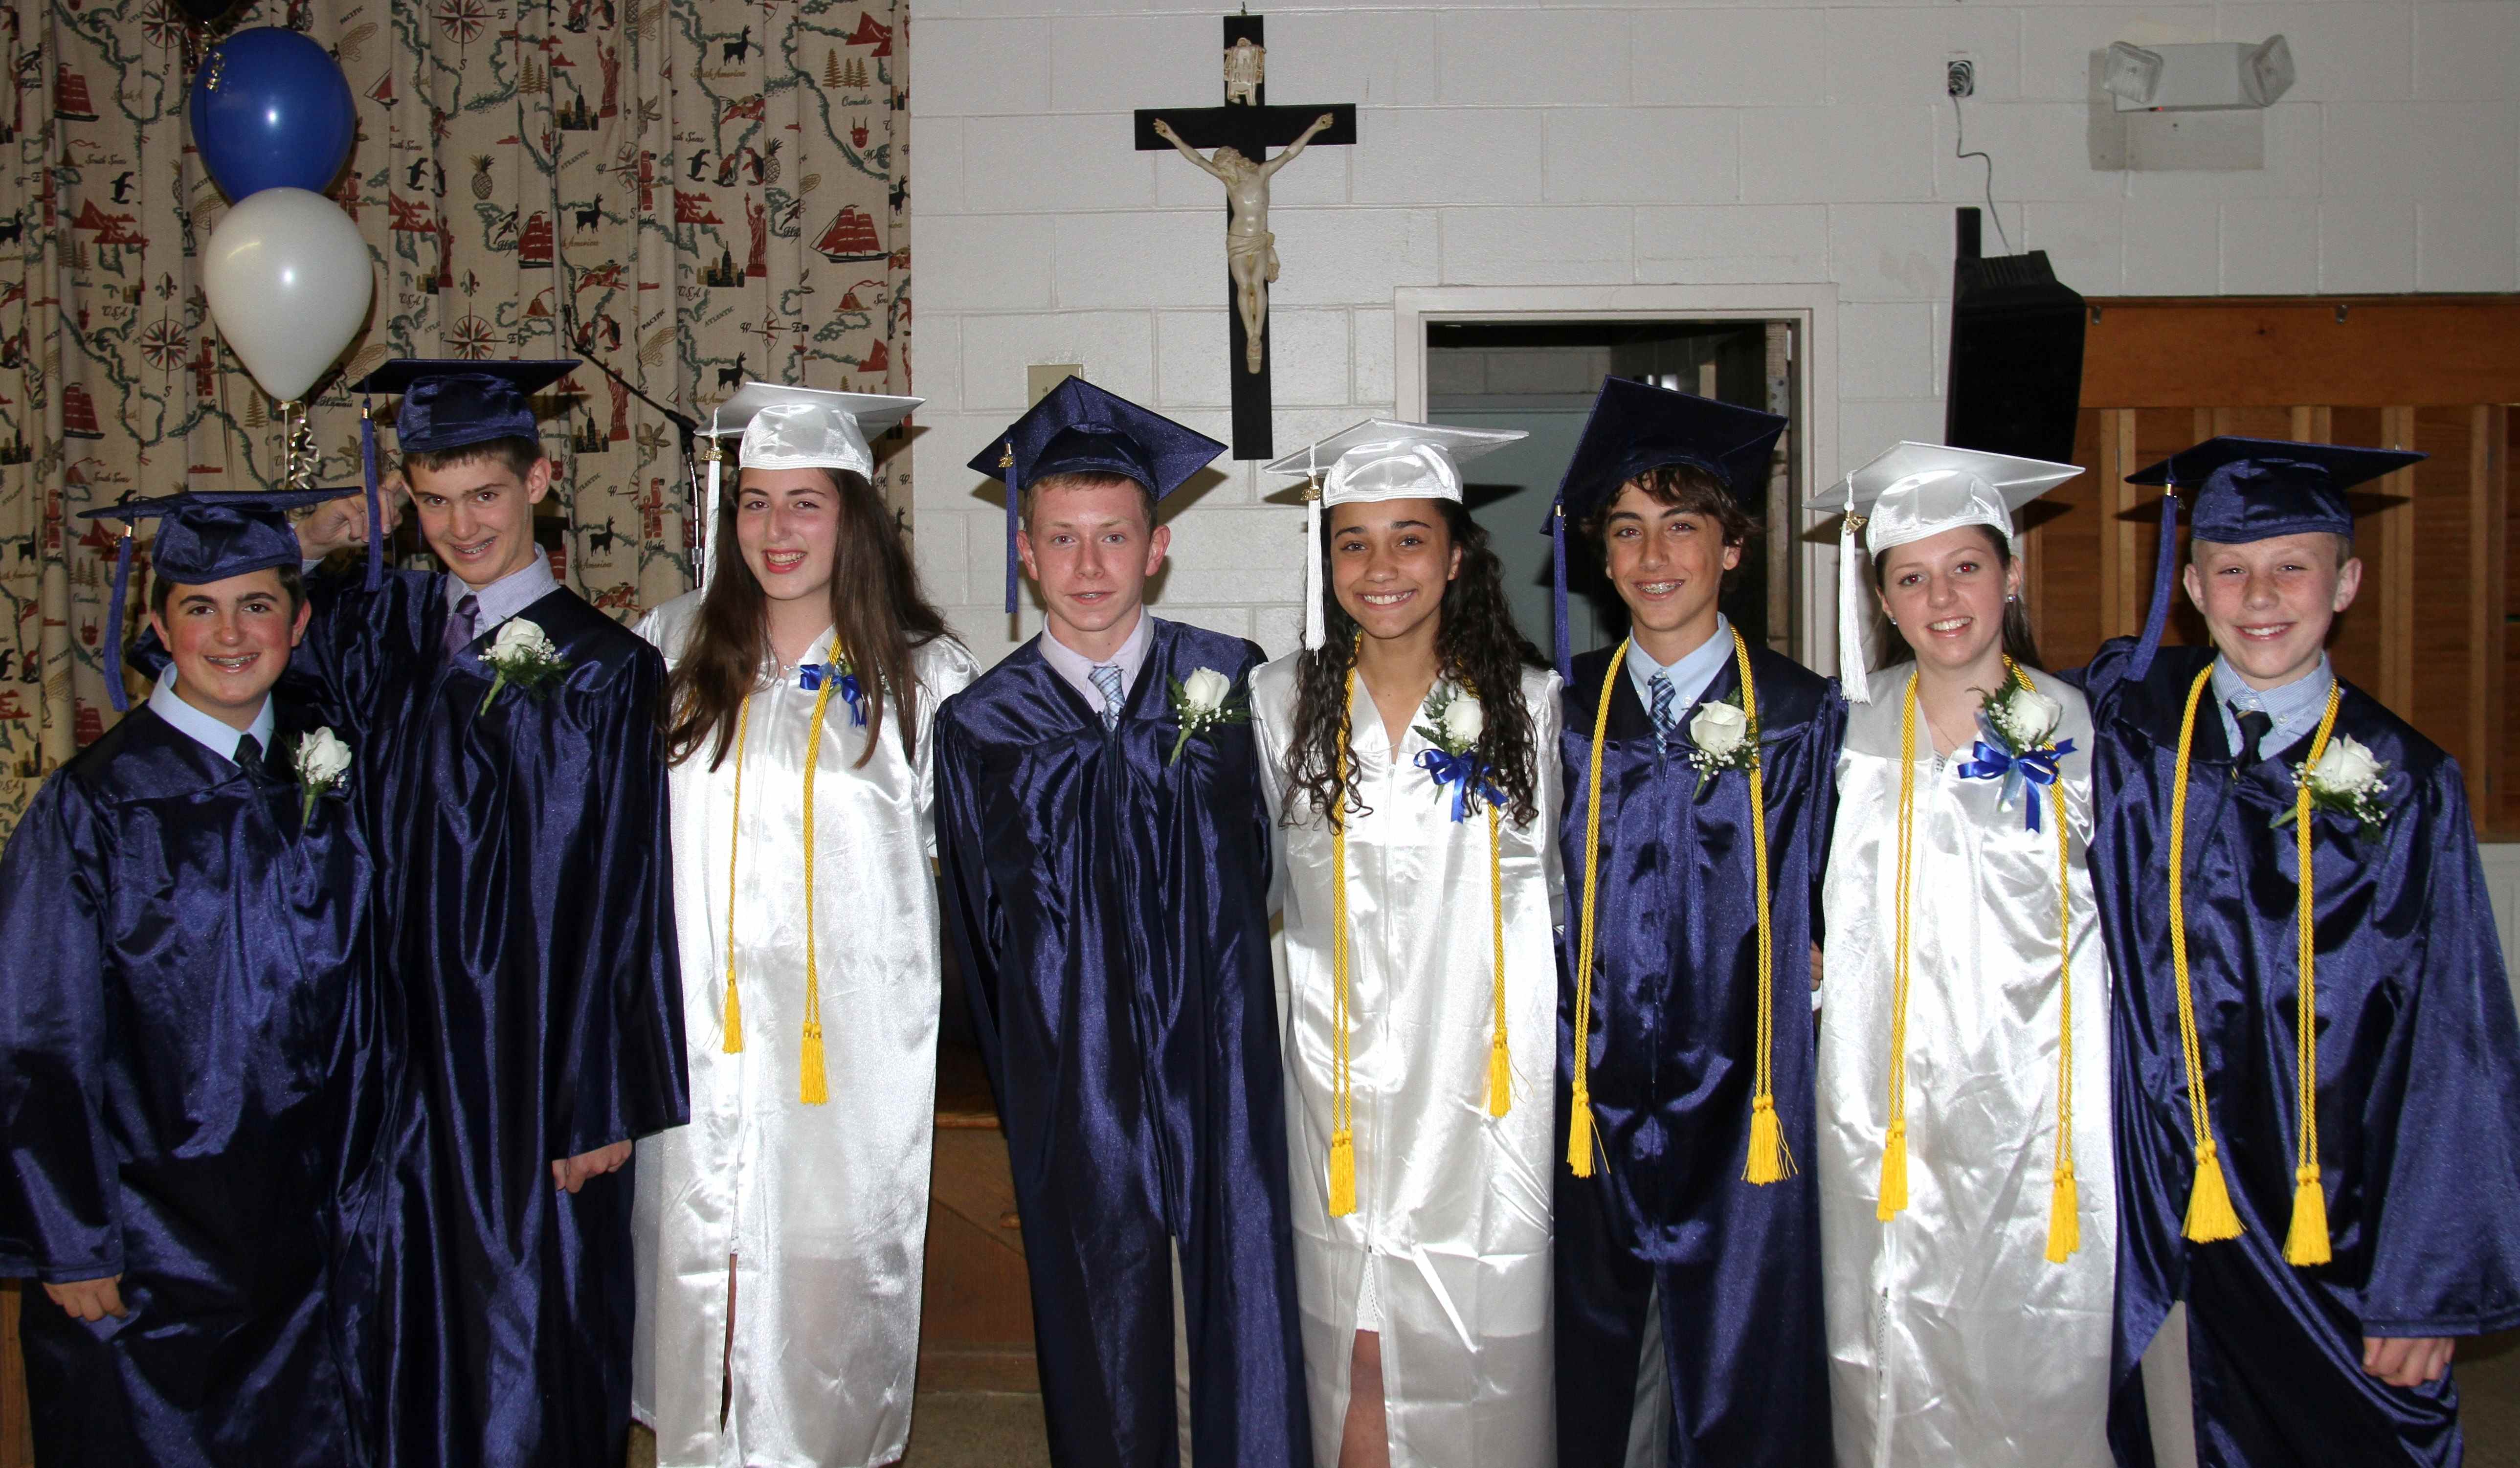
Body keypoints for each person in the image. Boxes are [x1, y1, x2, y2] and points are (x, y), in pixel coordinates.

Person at [2070, 437, 2520, 1467]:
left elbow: (2457, 1040)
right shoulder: (2133, 736)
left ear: (2348, 582)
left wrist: (2432, 1283)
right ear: (2189, 586)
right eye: (2230, 567)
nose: (2259, 594)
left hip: (2332, 1227)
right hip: (2160, 1214)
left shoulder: (2406, 782)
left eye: (2293, 566)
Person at [289, 358, 689, 1468]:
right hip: (398, 1062)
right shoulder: (380, 631)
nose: (461, 525)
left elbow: (629, 892)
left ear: (541, 484)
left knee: (534, 1329)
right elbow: (232, 655)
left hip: (533, 1068)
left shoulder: (610, 669)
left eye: (486, 494)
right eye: (433, 498)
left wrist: (603, 1095)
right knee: (400, 1317)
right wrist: (317, 538)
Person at [935, 377, 1310, 1468]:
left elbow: (1277, 866)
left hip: (1223, 1043)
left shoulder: (1231, 682)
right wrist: (1035, 1082)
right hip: (1072, 1059)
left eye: (1114, 537)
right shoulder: (982, 727)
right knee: (1097, 1306)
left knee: (1247, 1291)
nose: (1089, 566)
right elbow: (976, 928)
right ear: (1025, 552)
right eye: (1062, 539)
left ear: (1157, 548)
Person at [0, 489, 391, 1467]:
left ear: (298, 624)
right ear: (158, 626)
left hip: (307, 1242)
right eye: (200, 608)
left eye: (257, 605)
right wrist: (73, 1238)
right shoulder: (96, 804)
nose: (230, 633)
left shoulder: (324, 773)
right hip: (154, 1249)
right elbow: (35, 1032)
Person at [628, 383, 978, 1468]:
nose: (775, 532)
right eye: (754, 503)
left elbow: (970, 882)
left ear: (856, 516)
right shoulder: (667, 648)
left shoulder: (927, 678)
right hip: (692, 1040)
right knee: (703, 1290)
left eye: (805, 505)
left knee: (823, 1318)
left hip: (846, 1064)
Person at [1252, 419, 1561, 1468]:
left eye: (1410, 538)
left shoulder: (1535, 708)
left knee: (1478, 1351)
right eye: (1353, 541)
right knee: (1354, 1349)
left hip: (1482, 1096)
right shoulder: (1275, 704)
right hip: (1333, 1089)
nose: (1380, 568)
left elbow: (1573, 898)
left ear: (1459, 556)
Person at [1546, 378, 1840, 1468]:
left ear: (1733, 548)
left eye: (1682, 526)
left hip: (1754, 1097)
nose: (1651, 554)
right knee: (1596, 1365)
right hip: (1590, 1097)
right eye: (1626, 530)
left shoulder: (1807, 715)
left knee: (1748, 1365)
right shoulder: (1561, 712)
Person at [1809, 443, 2113, 1467]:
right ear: (1883, 602)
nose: (1941, 597)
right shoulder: (1843, 737)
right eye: (1910, 576)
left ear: (2013, 573)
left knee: (2031, 1351)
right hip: (1882, 1109)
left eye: (1966, 567)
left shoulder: (2084, 733)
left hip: (2038, 1110)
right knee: (1890, 1346)